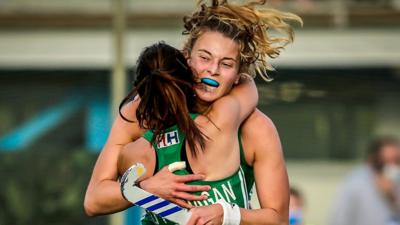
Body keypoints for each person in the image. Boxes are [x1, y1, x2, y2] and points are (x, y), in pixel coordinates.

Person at [84, 1, 302, 224]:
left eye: (226, 64)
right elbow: (94, 200)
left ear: (238, 74)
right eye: (204, 58)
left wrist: (226, 214)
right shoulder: (143, 112)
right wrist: (145, 189)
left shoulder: (255, 127)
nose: (213, 70)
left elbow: (278, 220)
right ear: (187, 57)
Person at [117, 40, 257, 225]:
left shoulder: (132, 152)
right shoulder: (220, 120)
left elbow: (98, 202)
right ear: (187, 80)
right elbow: (248, 85)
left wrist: (143, 188)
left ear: (140, 92)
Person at [329, 137, 400, 225]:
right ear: (371, 160)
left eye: (396, 161)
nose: (392, 167)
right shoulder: (356, 183)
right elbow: (340, 218)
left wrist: (391, 197)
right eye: (385, 162)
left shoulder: (397, 183)